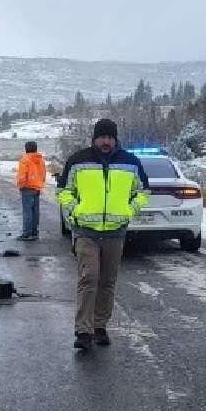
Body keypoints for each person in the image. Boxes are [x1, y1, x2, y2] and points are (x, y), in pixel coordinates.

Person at [56, 119, 148, 350]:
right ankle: (83, 331)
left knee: (107, 281)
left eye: (109, 137)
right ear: (94, 138)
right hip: (86, 231)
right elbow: (63, 191)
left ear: (115, 139)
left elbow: (143, 192)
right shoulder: (78, 160)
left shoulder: (130, 162)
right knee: (89, 278)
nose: (106, 141)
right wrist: (75, 210)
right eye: (102, 137)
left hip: (115, 233)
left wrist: (129, 210)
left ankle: (100, 327)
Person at [15, 140, 46, 241]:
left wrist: (21, 185)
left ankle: (26, 233)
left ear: (26, 148)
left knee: (27, 211)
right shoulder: (40, 160)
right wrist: (40, 184)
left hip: (27, 187)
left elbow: (22, 176)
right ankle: (34, 232)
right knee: (35, 211)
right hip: (37, 187)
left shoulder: (25, 160)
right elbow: (44, 174)